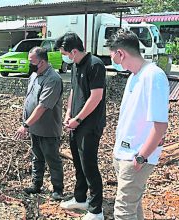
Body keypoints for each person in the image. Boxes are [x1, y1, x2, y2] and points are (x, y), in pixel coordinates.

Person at [106, 29, 169, 220]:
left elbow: (160, 126)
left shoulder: (153, 76)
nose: (112, 60)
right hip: (125, 154)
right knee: (133, 208)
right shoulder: (134, 77)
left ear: (120, 53)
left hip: (136, 157)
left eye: (112, 55)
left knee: (123, 212)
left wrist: (142, 156)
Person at [55, 32, 106, 220]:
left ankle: (96, 210)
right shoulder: (76, 66)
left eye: (65, 53)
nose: (65, 57)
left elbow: (96, 96)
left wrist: (78, 119)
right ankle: (80, 198)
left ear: (74, 51)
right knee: (78, 163)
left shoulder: (95, 65)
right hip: (75, 122)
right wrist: (69, 114)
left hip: (90, 124)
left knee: (89, 166)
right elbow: (73, 90)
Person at [14, 47, 64, 201]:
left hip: (48, 128)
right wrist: (27, 122)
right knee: (37, 157)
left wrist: (26, 125)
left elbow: (42, 106)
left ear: (42, 62)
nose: (29, 64)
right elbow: (30, 98)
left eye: (32, 61)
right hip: (34, 127)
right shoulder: (35, 75)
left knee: (52, 159)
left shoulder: (53, 79)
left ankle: (58, 189)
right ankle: (36, 185)